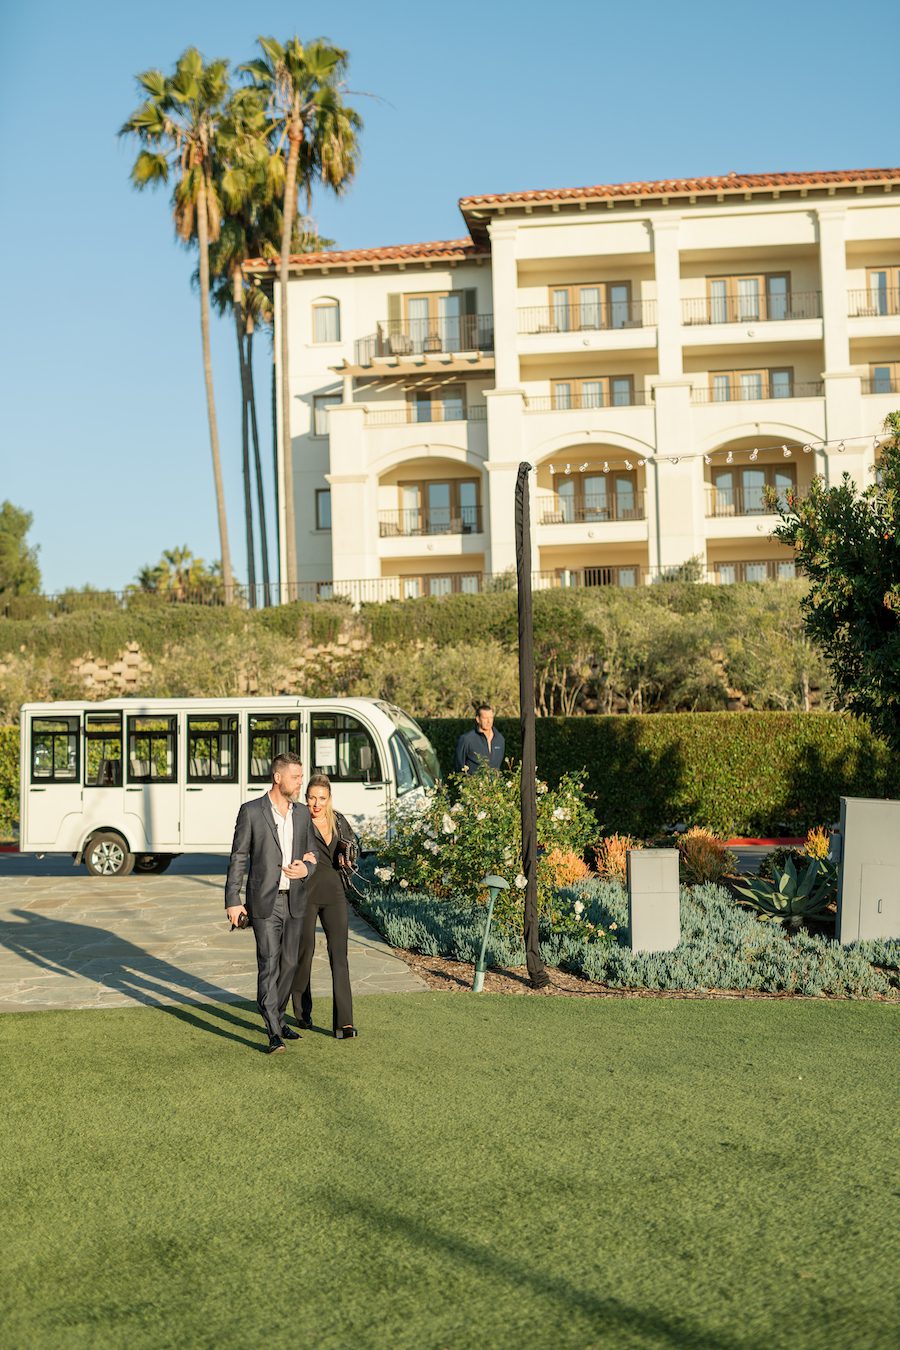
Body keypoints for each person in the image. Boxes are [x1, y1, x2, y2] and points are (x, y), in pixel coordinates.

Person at [225, 751, 317, 1053]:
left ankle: (276, 1015)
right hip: (264, 902)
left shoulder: (302, 814)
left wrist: (307, 868)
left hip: (296, 900)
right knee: (269, 963)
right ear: (278, 777)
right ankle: (273, 1030)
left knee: (290, 963)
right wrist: (232, 900)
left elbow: (312, 855)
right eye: (295, 777)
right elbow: (238, 857)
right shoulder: (251, 812)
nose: (300, 782)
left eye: (301, 777)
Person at [288, 773, 359, 1039]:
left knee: (339, 957)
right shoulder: (297, 820)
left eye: (322, 798)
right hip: (305, 894)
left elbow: (354, 848)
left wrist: (347, 858)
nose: (316, 804)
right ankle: (301, 1010)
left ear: (329, 799)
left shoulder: (338, 819)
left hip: (335, 895)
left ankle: (345, 1023)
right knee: (304, 955)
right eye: (311, 798)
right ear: (305, 797)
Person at [454, 703, 505, 773]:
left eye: (491, 718)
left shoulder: (500, 739)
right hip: (473, 783)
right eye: (485, 718)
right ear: (478, 719)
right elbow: (458, 766)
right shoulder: (467, 739)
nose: (489, 721)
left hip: (495, 783)